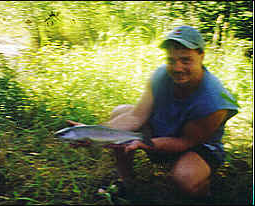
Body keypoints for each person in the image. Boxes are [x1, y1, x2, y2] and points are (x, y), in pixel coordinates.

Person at [67, 25, 238, 199]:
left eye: (186, 60)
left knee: (184, 180)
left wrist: (146, 143)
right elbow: (136, 116)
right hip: (163, 132)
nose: (177, 68)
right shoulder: (161, 75)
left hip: (197, 146)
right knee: (121, 112)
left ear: (201, 56)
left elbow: (185, 141)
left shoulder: (215, 101)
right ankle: (126, 182)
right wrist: (91, 132)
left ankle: (206, 190)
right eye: (171, 60)